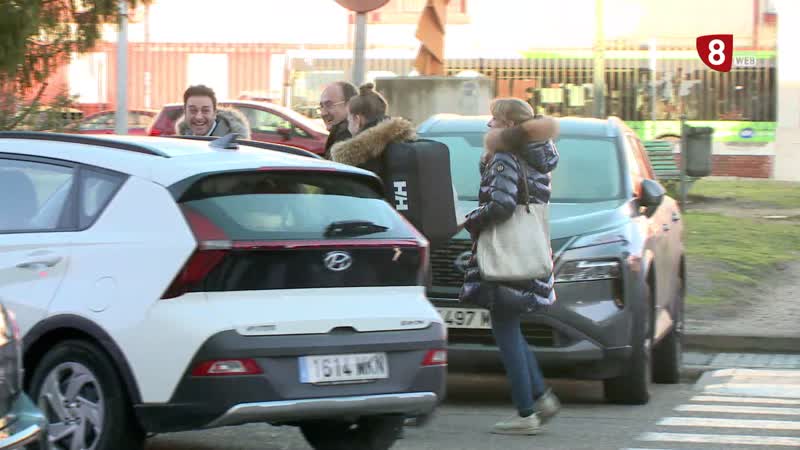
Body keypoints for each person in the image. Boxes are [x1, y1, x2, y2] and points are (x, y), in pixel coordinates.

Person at [460, 98, 561, 435]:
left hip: (504, 255)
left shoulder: (504, 157)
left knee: (505, 333)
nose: (487, 125)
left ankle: (525, 413)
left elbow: (501, 205)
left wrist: (469, 220)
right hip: (526, 252)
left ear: (505, 123)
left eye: (492, 119)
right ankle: (540, 397)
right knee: (511, 329)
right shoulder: (536, 157)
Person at [329, 83, 416, 179]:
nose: (348, 123)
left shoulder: (351, 157)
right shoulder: (404, 140)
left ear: (357, 119)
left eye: (349, 119)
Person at [175, 85, 251, 139]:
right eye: (193, 110)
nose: (199, 117)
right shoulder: (183, 143)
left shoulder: (234, 147)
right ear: (185, 112)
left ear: (214, 113)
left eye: (205, 110)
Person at [319, 81, 359, 159]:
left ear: (350, 105)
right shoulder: (339, 135)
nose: (323, 113)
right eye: (321, 106)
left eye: (329, 105)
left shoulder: (347, 142)